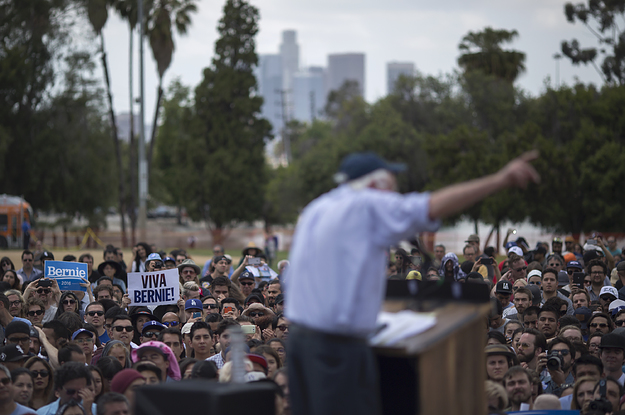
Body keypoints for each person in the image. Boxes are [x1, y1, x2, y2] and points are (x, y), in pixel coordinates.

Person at [285, 151, 539, 415]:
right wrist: (500, 179)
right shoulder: (367, 203)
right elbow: (431, 206)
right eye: (393, 181)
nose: (396, 191)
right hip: (335, 349)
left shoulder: (318, 208)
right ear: (377, 182)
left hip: (300, 341)